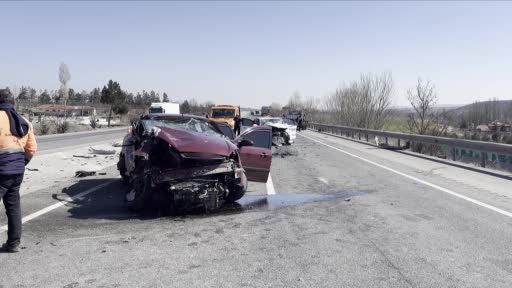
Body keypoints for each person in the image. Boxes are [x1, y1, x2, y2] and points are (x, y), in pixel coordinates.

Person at [0, 89, 37, 253]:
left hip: (1, 170)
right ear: (13, 101)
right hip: (17, 171)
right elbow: (32, 149)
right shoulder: (24, 121)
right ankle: (13, 243)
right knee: (13, 207)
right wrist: (19, 164)